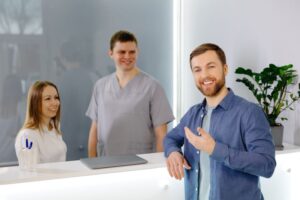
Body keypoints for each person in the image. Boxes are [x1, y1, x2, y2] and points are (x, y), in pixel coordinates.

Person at [163, 43, 276, 200]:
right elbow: (171, 138)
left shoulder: (250, 112)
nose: (204, 75)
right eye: (197, 70)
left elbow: (267, 165)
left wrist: (215, 149)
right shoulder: (192, 114)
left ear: (225, 69)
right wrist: (173, 152)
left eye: (211, 66)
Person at [86, 30, 174, 157]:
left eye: (132, 52)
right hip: (105, 162)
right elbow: (95, 128)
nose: (127, 56)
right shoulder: (100, 86)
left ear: (137, 52)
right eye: (122, 52)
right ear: (111, 53)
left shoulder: (153, 87)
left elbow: (162, 135)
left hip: (141, 163)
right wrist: (92, 162)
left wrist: (158, 166)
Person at [56, 40, 95, 160]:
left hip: (70, 138)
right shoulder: (88, 78)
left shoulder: (64, 80)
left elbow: (60, 113)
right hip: (87, 134)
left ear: (63, 57)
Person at [15, 81, 67, 163]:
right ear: (35, 103)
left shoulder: (54, 126)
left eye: (56, 97)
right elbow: (30, 171)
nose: (55, 103)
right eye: (48, 98)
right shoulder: (27, 136)